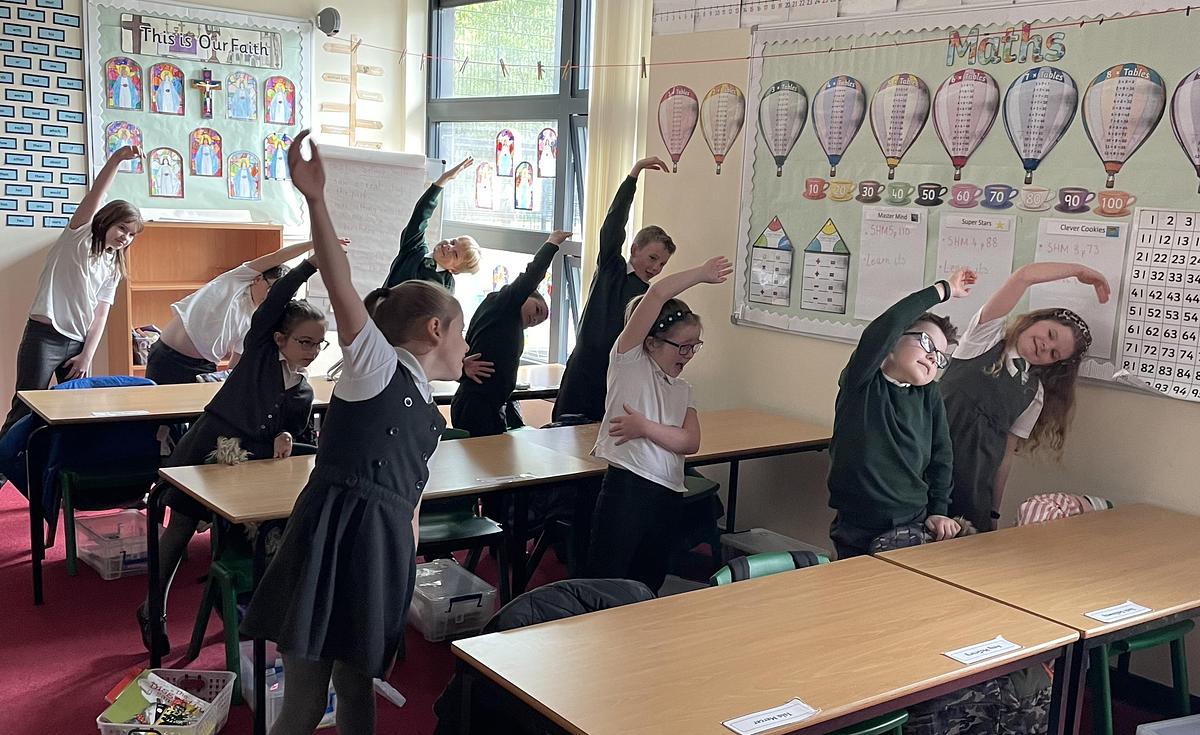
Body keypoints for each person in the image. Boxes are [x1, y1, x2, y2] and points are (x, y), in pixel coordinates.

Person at [241, 131, 470, 735]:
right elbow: (341, 283)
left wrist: (404, 557)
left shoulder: (427, 407)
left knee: (358, 685)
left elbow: (412, 500)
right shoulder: (375, 367)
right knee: (308, 699)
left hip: (380, 550)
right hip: (332, 539)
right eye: (460, 333)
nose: (467, 347)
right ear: (434, 329)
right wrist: (316, 200)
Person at [136, 251, 329, 656]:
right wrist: (313, 263)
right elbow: (278, 301)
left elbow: (293, 429)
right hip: (210, 448)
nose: (311, 350)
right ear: (280, 339)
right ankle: (154, 609)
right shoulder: (260, 350)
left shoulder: (304, 389)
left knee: (252, 531)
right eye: (304, 341)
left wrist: (288, 437)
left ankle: (244, 608)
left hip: (248, 467)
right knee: (181, 529)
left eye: (318, 344)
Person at [586, 255, 733, 592]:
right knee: (607, 580)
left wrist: (646, 428)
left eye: (695, 346)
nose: (688, 355)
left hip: (667, 492)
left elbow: (690, 441)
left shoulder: (682, 389)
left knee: (648, 580)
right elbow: (655, 295)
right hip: (628, 490)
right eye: (682, 346)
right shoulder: (630, 362)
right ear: (652, 342)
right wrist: (700, 273)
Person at [941, 263, 1109, 530]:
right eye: (1050, 334)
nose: (1045, 346)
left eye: (1054, 354)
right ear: (1035, 320)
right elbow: (1024, 276)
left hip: (972, 486)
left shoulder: (1034, 393)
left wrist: (994, 512)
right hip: (926, 464)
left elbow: (1005, 455)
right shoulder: (983, 339)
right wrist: (1079, 271)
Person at [826, 268, 975, 559]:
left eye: (940, 357)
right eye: (927, 343)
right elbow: (886, 325)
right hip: (857, 524)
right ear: (892, 344)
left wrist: (938, 512)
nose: (934, 357)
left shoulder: (928, 394)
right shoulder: (863, 383)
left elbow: (941, 457)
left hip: (912, 522)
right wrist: (942, 290)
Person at [1, 145, 144, 439]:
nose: (125, 238)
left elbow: (101, 312)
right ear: (105, 221)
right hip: (45, 337)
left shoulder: (113, 265)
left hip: (78, 344)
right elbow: (96, 195)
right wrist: (116, 159)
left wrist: (86, 355)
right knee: (26, 408)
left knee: (75, 411)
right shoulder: (78, 238)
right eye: (121, 229)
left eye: (131, 235)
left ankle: (53, 474)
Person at [553, 157, 676, 422]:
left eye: (663, 263)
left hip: (614, 380)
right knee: (563, 435)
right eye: (653, 258)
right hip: (582, 370)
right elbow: (612, 225)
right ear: (634, 250)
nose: (656, 268)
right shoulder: (612, 269)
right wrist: (634, 174)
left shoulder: (650, 299)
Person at [145, 240, 321, 385]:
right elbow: (277, 257)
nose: (271, 298)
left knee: (189, 420)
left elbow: (234, 366)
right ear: (258, 278)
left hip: (203, 368)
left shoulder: (257, 320)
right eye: (271, 289)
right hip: (166, 355)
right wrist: (314, 244)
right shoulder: (237, 281)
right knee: (157, 421)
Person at [451, 230, 569, 437]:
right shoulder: (504, 303)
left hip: (487, 404)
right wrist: (552, 243)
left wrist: (462, 367)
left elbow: (469, 346)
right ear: (527, 295)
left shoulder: (503, 320)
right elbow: (532, 274)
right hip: (477, 404)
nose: (534, 319)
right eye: (538, 310)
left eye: (537, 323)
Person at [382, 156, 482, 292]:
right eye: (453, 242)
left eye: (455, 254)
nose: (448, 247)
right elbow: (420, 216)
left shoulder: (446, 287)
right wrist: (443, 180)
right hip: (376, 309)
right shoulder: (415, 248)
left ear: (455, 270)